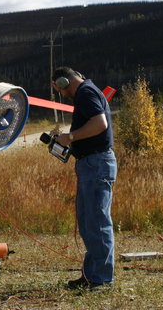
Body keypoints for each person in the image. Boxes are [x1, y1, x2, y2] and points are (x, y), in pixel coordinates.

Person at [51, 66, 117, 291]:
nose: (61, 94)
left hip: (96, 164)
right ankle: (91, 275)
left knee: (97, 222)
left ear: (62, 82)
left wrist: (70, 137)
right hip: (91, 164)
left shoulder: (86, 93)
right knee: (89, 222)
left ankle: (101, 279)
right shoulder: (87, 92)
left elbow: (100, 124)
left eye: (58, 90)